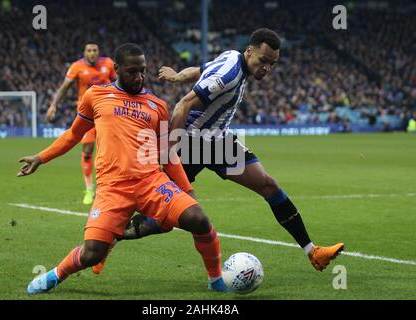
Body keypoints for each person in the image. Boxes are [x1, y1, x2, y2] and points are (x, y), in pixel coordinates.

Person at [100, 28, 344, 274]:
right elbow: (182, 106)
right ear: (249, 51)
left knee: (268, 185)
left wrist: (177, 76)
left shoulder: (231, 57)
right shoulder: (230, 74)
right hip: (191, 143)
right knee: (163, 219)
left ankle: (313, 251)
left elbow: (200, 70)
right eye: (263, 61)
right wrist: (169, 153)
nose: (267, 68)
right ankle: (111, 238)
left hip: (218, 142)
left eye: (272, 64)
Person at [18, 43, 228, 294]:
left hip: (151, 182)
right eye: (132, 71)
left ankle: (216, 281)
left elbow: (167, 154)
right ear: (116, 69)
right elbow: (73, 135)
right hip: (112, 188)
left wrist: (187, 190)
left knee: (199, 220)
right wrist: (41, 158)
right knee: (92, 254)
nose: (139, 77)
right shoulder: (95, 96)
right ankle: (56, 275)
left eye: (143, 70)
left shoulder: (157, 105)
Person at [46, 41, 117, 205]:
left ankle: (108, 187)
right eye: (89, 50)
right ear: (84, 52)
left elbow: (119, 82)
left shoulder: (108, 64)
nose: (92, 53)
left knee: (110, 150)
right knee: (87, 150)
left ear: (99, 51)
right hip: (87, 115)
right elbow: (64, 87)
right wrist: (53, 105)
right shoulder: (77, 67)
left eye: (95, 50)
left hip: (108, 113)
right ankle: (89, 188)